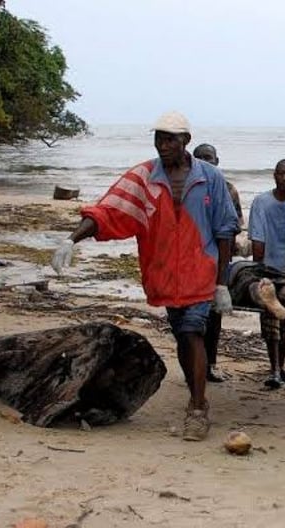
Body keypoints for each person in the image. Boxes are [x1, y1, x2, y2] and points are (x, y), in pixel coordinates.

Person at [51, 111, 238, 441]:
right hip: (164, 272)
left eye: (170, 139)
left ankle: (197, 407)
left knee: (193, 331)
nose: (163, 145)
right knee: (182, 334)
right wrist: (71, 239)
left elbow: (225, 230)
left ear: (186, 142)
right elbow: (109, 210)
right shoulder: (143, 178)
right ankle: (196, 393)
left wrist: (222, 283)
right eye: (159, 138)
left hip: (200, 270)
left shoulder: (211, 178)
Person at [249, 159, 285, 388]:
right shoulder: (261, 202)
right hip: (267, 271)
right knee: (271, 321)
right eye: (281, 174)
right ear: (274, 176)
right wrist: (258, 268)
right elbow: (257, 240)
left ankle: (282, 366)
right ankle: (274, 369)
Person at [192, 143, 242, 383]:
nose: (205, 162)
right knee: (191, 318)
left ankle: (210, 364)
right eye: (200, 157)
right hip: (191, 262)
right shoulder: (188, 188)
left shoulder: (229, 190)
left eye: (209, 158)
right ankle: (194, 364)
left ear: (217, 160)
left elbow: (236, 224)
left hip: (218, 263)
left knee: (213, 318)